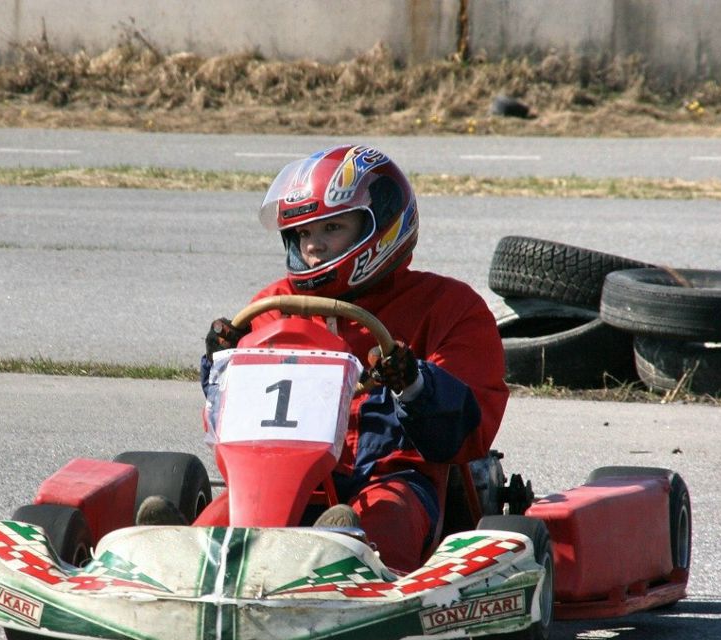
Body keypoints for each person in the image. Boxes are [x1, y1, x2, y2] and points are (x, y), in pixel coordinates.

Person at [138, 144, 508, 574]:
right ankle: (171, 561)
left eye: (331, 228)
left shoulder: (447, 306)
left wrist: (413, 381)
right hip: (281, 482)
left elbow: (468, 430)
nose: (313, 247)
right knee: (222, 527)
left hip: (392, 477)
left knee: (382, 525)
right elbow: (229, 430)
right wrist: (220, 367)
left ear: (381, 226)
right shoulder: (273, 305)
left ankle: (347, 565)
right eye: (303, 234)